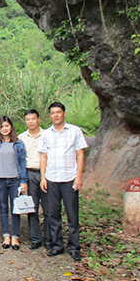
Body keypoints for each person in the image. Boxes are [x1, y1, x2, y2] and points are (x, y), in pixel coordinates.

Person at [39, 102, 88, 261]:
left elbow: (80, 154)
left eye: (59, 112)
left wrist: (79, 176)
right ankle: (57, 245)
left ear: (64, 114)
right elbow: (43, 156)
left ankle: (74, 247)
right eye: (53, 113)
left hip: (69, 179)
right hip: (52, 178)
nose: (56, 115)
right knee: (53, 214)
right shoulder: (46, 134)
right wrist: (43, 177)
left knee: (72, 215)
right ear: (50, 116)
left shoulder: (75, 131)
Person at [0, 116, 28, 250]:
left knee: (16, 209)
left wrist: (24, 181)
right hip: (0, 180)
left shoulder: (18, 144)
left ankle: (15, 237)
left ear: (11, 127)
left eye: (7, 126)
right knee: (3, 208)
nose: (5, 129)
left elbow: (22, 162)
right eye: (2, 126)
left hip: (15, 180)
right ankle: (6, 236)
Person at [18, 109, 51, 250]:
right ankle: (36, 238)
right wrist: (23, 180)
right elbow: (20, 160)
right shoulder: (21, 137)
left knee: (49, 208)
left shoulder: (48, 134)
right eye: (28, 119)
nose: (30, 122)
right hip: (29, 173)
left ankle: (50, 239)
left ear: (38, 119)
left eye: (33, 119)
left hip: (47, 174)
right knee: (32, 208)